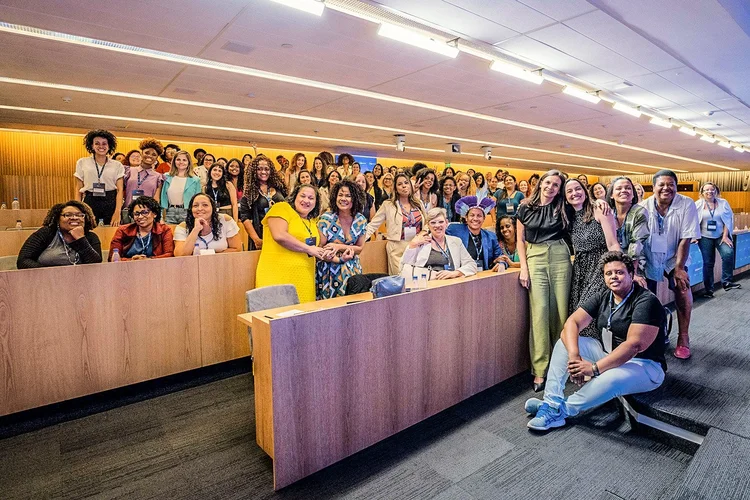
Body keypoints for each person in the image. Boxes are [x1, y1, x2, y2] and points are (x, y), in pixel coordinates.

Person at [525, 252, 666, 431]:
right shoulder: (603, 296)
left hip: (644, 366)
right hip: (609, 354)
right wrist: (575, 357)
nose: (614, 276)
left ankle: (562, 411)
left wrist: (593, 369)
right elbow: (572, 323)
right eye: (609, 273)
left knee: (612, 377)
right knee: (565, 343)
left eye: (620, 272)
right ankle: (551, 402)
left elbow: (634, 346)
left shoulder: (646, 301)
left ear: (631, 274)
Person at [517, 170, 572, 392]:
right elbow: (520, 240)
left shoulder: (563, 207)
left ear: (560, 189)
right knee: (539, 312)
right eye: (548, 182)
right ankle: (540, 370)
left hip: (560, 255)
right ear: (541, 183)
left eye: (556, 185)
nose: (550, 187)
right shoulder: (525, 207)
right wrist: (523, 267)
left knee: (561, 312)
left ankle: (563, 366)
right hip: (535, 257)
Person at [640, 169, 700, 360]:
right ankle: (652, 337)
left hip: (674, 257)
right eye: (662, 185)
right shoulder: (642, 207)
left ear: (675, 186)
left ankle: (683, 337)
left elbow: (686, 237)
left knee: (682, 287)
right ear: (654, 187)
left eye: (671, 185)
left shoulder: (686, 204)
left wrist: (680, 268)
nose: (666, 188)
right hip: (649, 256)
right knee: (645, 297)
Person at [564, 178, 620, 339]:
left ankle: (600, 355)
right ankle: (584, 353)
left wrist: (620, 269)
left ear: (585, 190)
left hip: (600, 266)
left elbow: (613, 244)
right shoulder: (569, 216)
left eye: (578, 189)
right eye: (569, 191)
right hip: (580, 270)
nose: (575, 193)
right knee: (577, 311)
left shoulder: (599, 209)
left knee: (588, 311)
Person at [256, 184, 330, 303]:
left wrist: (327, 253)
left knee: (302, 319)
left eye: (311, 198)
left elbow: (317, 248)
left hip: (304, 279)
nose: (306, 200)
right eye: (303, 196)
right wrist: (308, 249)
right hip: (277, 276)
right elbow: (279, 235)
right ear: (294, 197)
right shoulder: (281, 208)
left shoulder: (313, 220)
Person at [366, 172, 427, 275]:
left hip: (417, 246)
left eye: (406, 183)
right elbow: (373, 225)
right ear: (395, 188)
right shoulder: (388, 205)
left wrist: (422, 235)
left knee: (417, 279)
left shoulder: (418, 203)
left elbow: (427, 223)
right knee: (401, 280)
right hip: (397, 249)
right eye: (399, 184)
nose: (404, 186)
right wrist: (359, 239)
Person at [316, 179, 368, 299]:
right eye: (340, 195)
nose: (343, 199)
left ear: (355, 198)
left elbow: (360, 248)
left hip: (352, 269)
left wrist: (339, 246)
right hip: (329, 271)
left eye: (348, 196)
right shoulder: (326, 219)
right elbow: (319, 249)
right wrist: (337, 258)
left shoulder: (360, 220)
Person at [17, 201, 103, 268]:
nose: (74, 218)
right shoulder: (46, 233)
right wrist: (53, 273)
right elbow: (23, 261)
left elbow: (96, 266)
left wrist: (80, 239)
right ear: (58, 219)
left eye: (79, 215)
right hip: (46, 283)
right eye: (68, 215)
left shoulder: (91, 237)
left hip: (81, 283)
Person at [400, 208, 477, 280]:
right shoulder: (420, 242)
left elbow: (472, 265)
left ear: (446, 223)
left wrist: (455, 273)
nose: (437, 225)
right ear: (428, 226)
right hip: (428, 284)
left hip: (451, 282)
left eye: (441, 222)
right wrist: (412, 245)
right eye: (433, 223)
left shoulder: (456, 241)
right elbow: (404, 268)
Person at [696, 182, 740, 297]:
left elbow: (728, 219)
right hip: (704, 237)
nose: (709, 192)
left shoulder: (723, 203)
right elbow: (693, 221)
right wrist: (694, 236)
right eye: (707, 190)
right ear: (702, 192)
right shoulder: (698, 204)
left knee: (728, 253)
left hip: (721, 235)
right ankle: (709, 290)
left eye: (712, 189)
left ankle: (727, 281)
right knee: (708, 263)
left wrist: (725, 236)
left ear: (716, 191)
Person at [74, 129, 125, 225]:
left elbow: (120, 190)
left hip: (110, 200)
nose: (101, 146)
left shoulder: (117, 165)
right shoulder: (82, 162)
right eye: (97, 143)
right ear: (92, 146)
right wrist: (77, 209)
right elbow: (78, 188)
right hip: (90, 199)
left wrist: (117, 212)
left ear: (109, 146)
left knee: (112, 231)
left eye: (104, 143)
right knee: (89, 229)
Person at [607, 177, 649, 286]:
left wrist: (632, 273)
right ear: (611, 194)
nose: (623, 190)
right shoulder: (609, 212)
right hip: (614, 265)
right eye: (619, 188)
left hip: (636, 266)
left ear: (633, 194)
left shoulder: (640, 212)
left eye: (628, 188)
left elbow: (636, 244)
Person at [239, 155, 287, 250]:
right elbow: (245, 218)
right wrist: (256, 239)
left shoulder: (279, 187)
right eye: (259, 169)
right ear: (254, 171)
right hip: (261, 234)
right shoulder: (249, 192)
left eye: (266, 169)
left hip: (282, 232)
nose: (263, 172)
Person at [173, 193, 242, 256]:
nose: (200, 209)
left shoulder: (226, 220)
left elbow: (237, 249)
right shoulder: (182, 227)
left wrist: (210, 256)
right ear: (191, 209)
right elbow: (180, 255)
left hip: (222, 265)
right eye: (195, 205)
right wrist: (196, 230)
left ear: (213, 208)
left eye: (205, 205)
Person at [447, 196, 503, 271]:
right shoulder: (454, 230)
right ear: (466, 218)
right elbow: (437, 233)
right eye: (472, 215)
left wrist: (501, 264)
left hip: (483, 277)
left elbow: (501, 257)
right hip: (461, 276)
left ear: (484, 219)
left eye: (479, 216)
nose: (475, 219)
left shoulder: (491, 236)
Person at [108, 196, 174, 261]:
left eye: (145, 213)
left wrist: (148, 260)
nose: (140, 216)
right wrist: (131, 261)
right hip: (127, 268)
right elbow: (113, 258)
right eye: (137, 214)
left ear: (155, 214)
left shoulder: (164, 230)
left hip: (156, 268)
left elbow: (169, 255)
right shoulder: (122, 231)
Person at [123, 138, 164, 214]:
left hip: (147, 214)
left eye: (154, 155)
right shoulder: (129, 171)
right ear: (141, 154)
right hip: (128, 212)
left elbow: (156, 199)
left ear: (156, 158)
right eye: (147, 153)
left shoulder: (158, 177)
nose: (150, 156)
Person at [161, 150, 202, 224]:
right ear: (174, 161)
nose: (181, 162)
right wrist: (160, 217)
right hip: (169, 212)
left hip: (187, 212)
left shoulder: (195, 180)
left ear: (189, 162)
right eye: (178, 159)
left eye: (184, 160)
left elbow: (198, 201)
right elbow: (162, 198)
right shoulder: (166, 177)